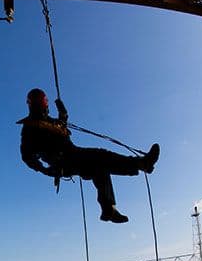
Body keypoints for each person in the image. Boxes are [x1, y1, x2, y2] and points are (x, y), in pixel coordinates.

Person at [17, 88, 160, 223]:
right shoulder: (30, 127)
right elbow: (27, 156)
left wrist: (63, 112)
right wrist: (45, 170)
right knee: (100, 156)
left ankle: (108, 209)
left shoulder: (50, 122)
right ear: (43, 104)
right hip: (64, 161)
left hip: (72, 156)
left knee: (99, 166)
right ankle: (141, 164)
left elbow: (62, 124)